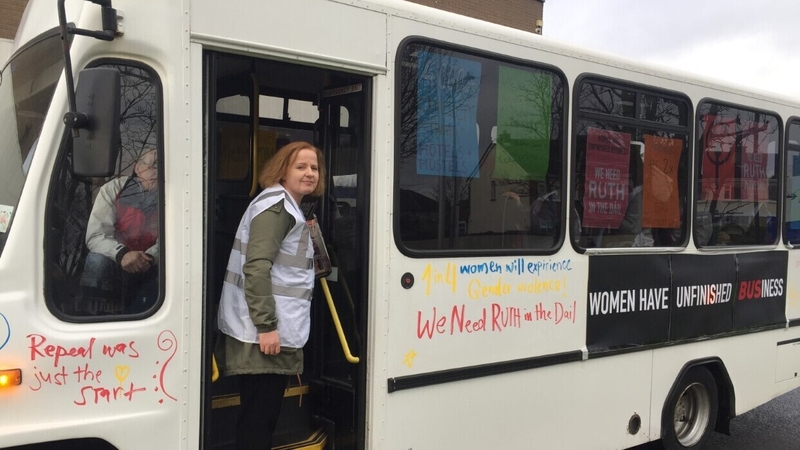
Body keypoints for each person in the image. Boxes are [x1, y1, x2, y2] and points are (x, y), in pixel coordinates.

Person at [215, 141, 326, 450]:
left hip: (263, 333)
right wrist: (267, 326)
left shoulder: (287, 206)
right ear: (283, 171)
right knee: (258, 421)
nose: (309, 173)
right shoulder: (277, 208)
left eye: (314, 168)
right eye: (300, 167)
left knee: (259, 418)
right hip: (261, 337)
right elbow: (257, 267)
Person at [80, 147, 159, 314]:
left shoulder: (172, 196)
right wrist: (122, 254)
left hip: (150, 265)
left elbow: (173, 240)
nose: (157, 172)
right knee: (96, 261)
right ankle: (91, 317)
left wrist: (151, 257)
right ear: (138, 168)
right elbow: (96, 236)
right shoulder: (113, 189)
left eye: (162, 167)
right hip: (115, 261)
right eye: (153, 165)